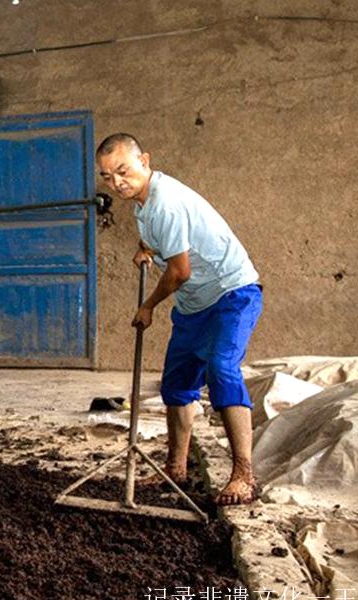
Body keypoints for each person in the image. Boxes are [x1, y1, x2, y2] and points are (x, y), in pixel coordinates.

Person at [95, 133, 263, 505]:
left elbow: (180, 271)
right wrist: (146, 250)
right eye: (107, 177)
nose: (116, 182)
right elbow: (164, 242)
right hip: (194, 305)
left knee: (221, 368)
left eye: (122, 171)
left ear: (145, 161)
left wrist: (149, 305)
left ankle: (244, 476)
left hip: (231, 294)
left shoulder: (164, 203)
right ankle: (176, 469)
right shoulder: (143, 204)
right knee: (177, 386)